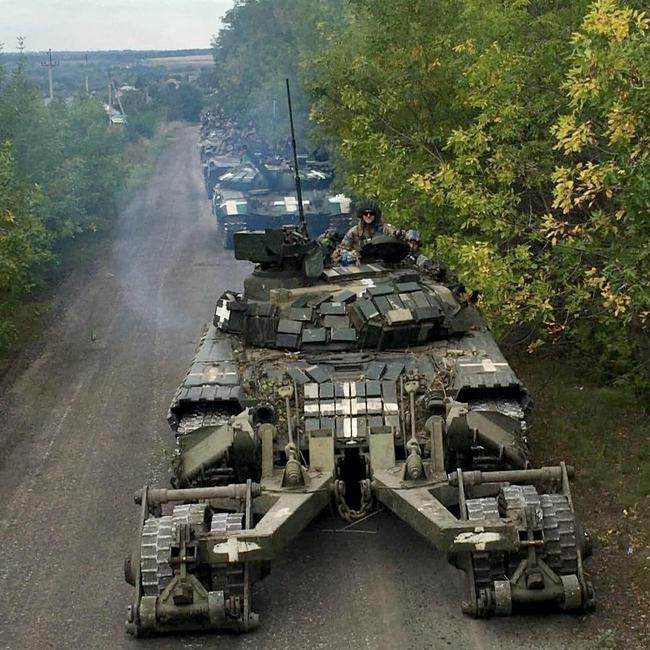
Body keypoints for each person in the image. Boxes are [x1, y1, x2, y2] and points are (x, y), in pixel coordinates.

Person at [333, 199, 398, 264]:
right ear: (361, 215)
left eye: (371, 213)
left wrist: (399, 235)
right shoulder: (354, 232)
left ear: (375, 214)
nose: (368, 215)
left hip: (385, 267)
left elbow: (397, 236)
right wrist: (352, 255)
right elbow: (339, 253)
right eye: (365, 213)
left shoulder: (385, 229)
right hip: (361, 269)